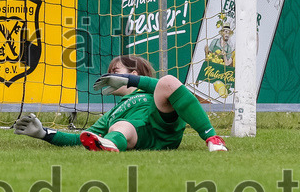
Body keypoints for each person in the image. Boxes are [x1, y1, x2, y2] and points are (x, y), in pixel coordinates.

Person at [12, 54, 229, 152]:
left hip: (164, 127)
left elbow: (168, 86)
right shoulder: (112, 114)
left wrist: (131, 81)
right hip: (134, 137)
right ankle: (111, 144)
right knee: (119, 127)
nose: (108, 76)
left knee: (169, 82)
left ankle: (213, 139)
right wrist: (43, 134)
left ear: (133, 74)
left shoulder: (149, 89)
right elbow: (82, 138)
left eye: (115, 72)